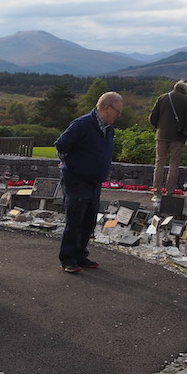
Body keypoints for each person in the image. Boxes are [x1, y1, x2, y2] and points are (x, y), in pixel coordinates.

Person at [55, 91, 123, 274]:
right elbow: (61, 145)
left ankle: (80, 255)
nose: (119, 116)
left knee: (89, 220)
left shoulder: (108, 129)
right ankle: (68, 258)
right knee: (75, 220)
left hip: (94, 181)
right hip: (76, 179)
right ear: (107, 108)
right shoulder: (83, 124)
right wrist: (73, 165)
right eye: (118, 111)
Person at [149, 80, 187, 202]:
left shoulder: (162, 98)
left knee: (159, 163)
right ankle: (169, 192)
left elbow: (153, 117)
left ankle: (156, 192)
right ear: (185, 90)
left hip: (162, 134)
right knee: (174, 164)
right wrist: (186, 131)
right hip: (178, 137)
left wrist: (159, 127)